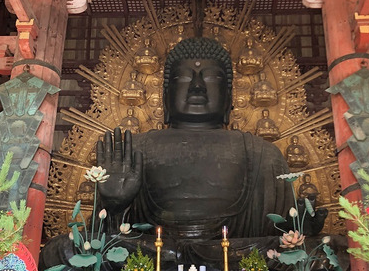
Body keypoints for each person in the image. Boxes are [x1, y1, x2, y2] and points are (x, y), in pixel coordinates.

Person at [96, 37, 293, 241]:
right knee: (63, 248)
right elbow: (97, 238)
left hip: (240, 257)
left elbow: (287, 235)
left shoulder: (263, 155)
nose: (197, 86)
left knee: (320, 247)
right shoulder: (132, 151)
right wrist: (114, 207)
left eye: (211, 79)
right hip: (151, 256)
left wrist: (307, 225)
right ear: (165, 96)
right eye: (182, 78)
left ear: (229, 97)